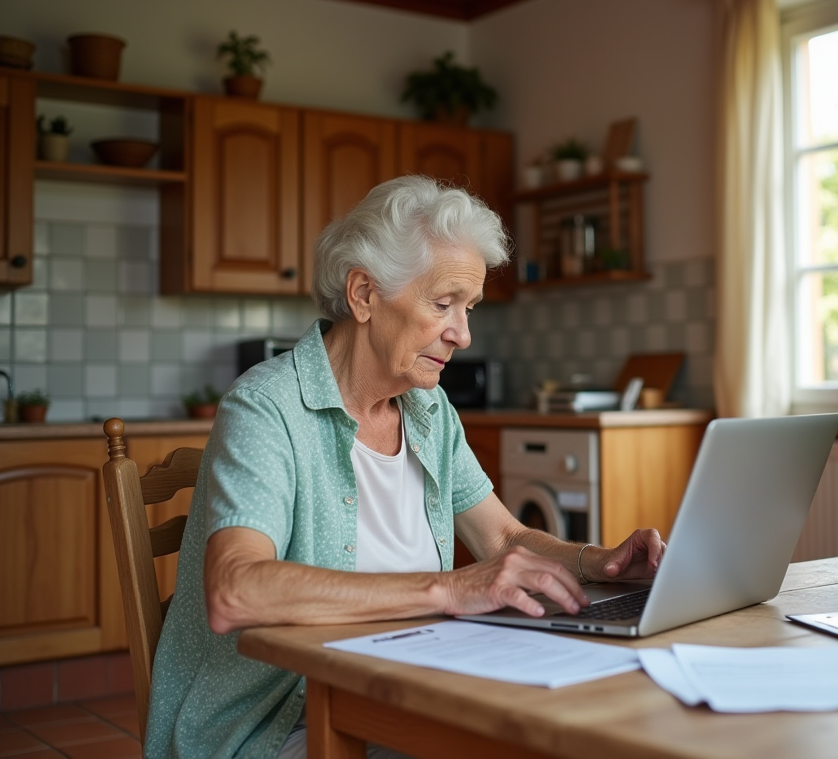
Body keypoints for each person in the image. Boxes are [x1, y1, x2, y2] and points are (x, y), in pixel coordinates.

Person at [145, 176, 665, 759]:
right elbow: (235, 591)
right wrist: (448, 588)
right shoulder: (266, 409)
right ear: (364, 294)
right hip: (278, 726)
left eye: (468, 309)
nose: (462, 334)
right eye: (443, 304)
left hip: (405, 691)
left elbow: (504, 536)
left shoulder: (428, 408)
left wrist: (603, 563)